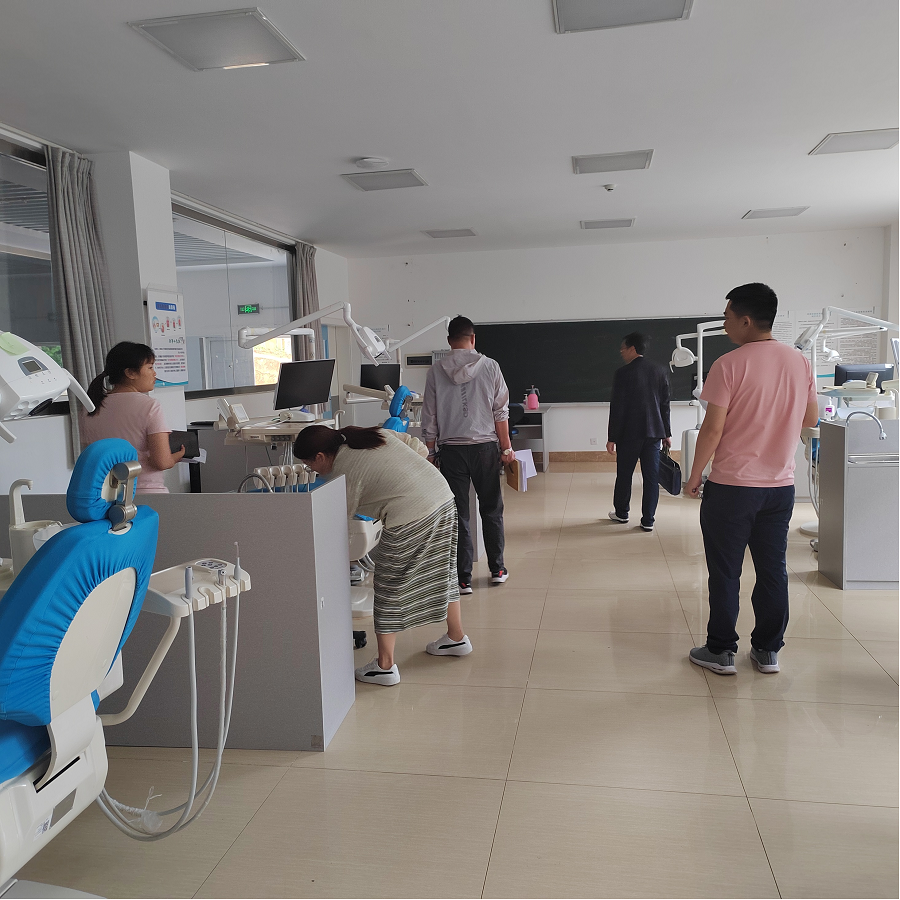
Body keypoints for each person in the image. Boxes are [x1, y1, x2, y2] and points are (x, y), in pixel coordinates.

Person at [684, 283, 818, 676]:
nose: (724, 325)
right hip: (780, 487)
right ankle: (768, 650)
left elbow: (712, 429)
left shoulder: (728, 364)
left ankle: (721, 651)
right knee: (773, 569)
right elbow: (810, 419)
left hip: (732, 488)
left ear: (746, 320)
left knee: (726, 571)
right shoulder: (800, 362)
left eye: (727, 318)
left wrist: (694, 476)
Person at [294, 424, 472, 687]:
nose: (313, 471)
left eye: (309, 465)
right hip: (442, 497)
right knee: (443, 570)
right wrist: (409, 478)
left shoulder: (343, 470)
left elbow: (340, 522)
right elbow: (417, 447)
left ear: (320, 456)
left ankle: (384, 666)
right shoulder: (369, 435)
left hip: (411, 514)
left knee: (388, 585)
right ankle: (456, 638)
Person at [421, 315, 512, 594]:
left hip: (451, 452)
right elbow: (500, 412)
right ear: (473, 339)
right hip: (485, 449)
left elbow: (429, 416)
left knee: (459, 514)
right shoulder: (491, 366)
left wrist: (431, 451)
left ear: (449, 341)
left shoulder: (435, 371)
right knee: (491, 509)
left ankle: (463, 579)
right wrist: (506, 447)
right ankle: (497, 569)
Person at [81, 342, 185, 493]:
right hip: (145, 492)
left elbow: (91, 454)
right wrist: (177, 456)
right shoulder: (150, 406)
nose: (154, 373)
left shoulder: (91, 406)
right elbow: (161, 462)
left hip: (103, 494)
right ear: (130, 373)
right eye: (150, 367)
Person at [606, 332, 671, 532]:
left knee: (624, 475)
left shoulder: (622, 373)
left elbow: (617, 407)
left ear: (632, 348)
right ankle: (648, 520)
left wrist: (612, 437)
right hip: (654, 433)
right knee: (651, 478)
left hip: (629, 434)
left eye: (623, 348)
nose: (621, 352)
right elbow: (665, 404)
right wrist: (667, 433)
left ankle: (621, 513)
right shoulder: (659, 370)